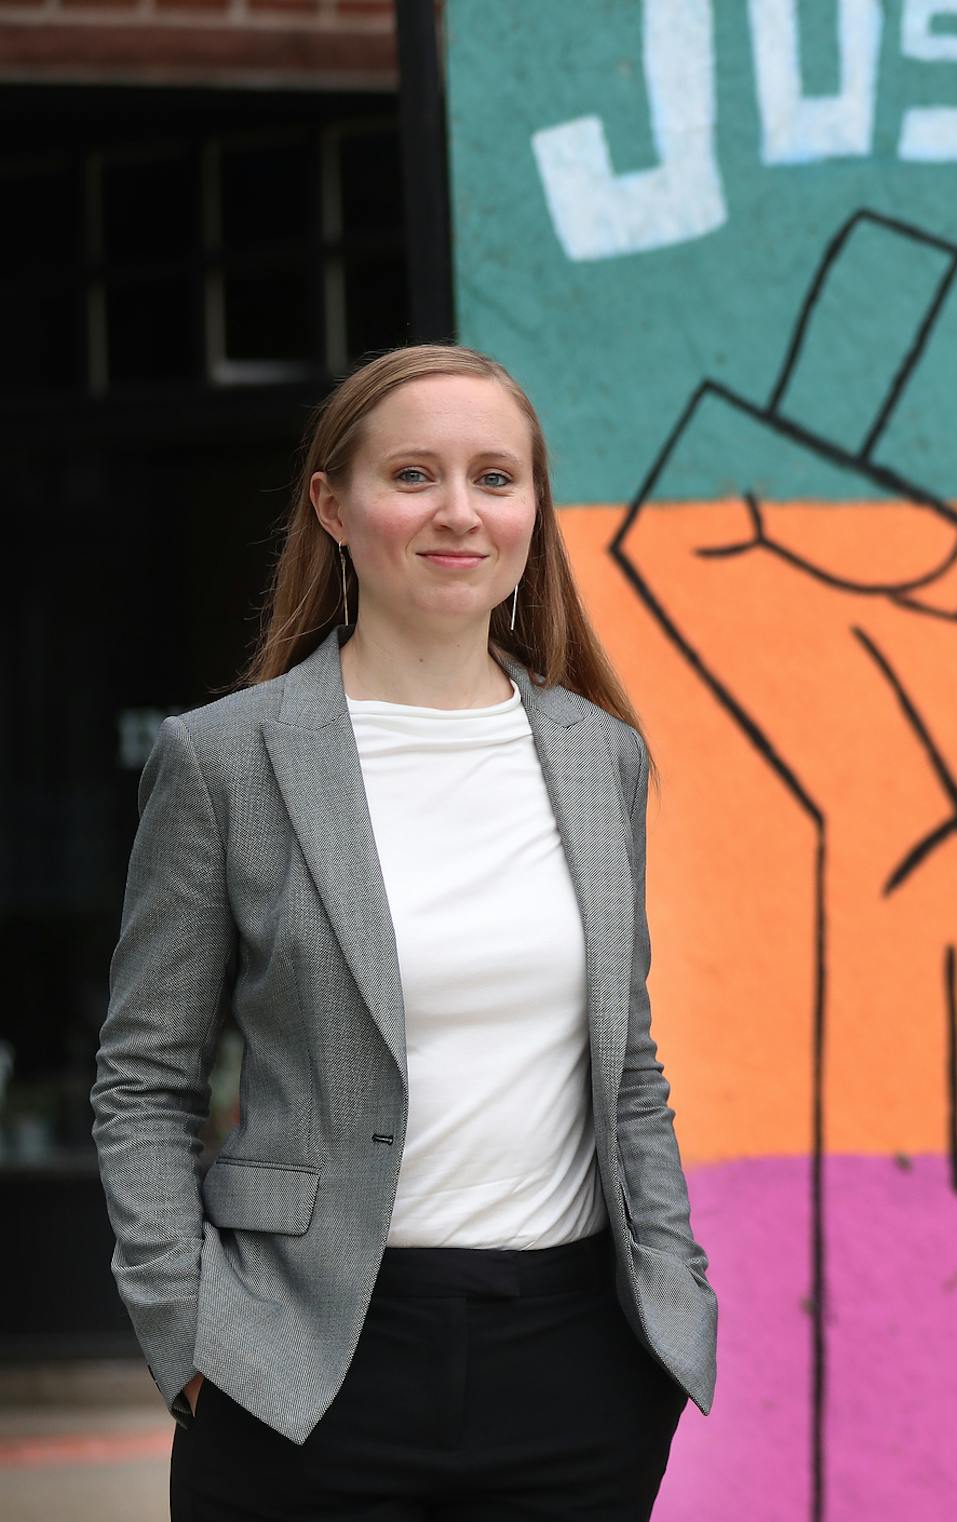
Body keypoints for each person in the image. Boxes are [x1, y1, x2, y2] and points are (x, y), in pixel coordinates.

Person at [92, 344, 718, 1520]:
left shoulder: (600, 756)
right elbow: (144, 1081)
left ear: (534, 506)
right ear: (333, 504)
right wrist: (187, 1334)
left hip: (578, 1368)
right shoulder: (224, 759)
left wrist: (673, 1296)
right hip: (301, 1362)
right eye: (414, 475)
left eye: (495, 477)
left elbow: (628, 1065)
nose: (458, 513)